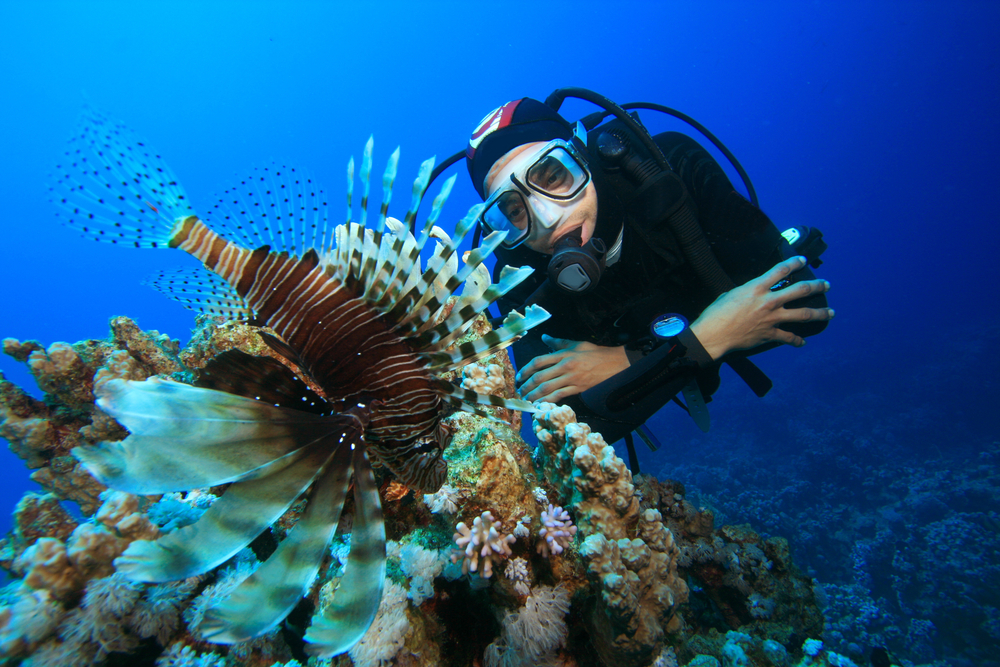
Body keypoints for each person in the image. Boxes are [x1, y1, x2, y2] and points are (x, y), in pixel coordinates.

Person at [464, 96, 834, 449]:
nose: (547, 219)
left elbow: (807, 305)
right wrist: (707, 338)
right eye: (513, 211)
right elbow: (569, 427)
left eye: (553, 176)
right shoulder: (517, 278)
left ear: (582, 154)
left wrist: (628, 361)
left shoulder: (668, 165)